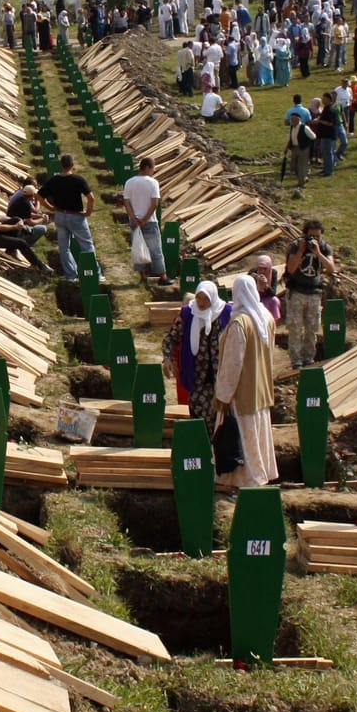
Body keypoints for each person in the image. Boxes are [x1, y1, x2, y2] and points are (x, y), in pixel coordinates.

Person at [212, 275, 279, 488]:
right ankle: (260, 474)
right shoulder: (266, 317)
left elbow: (233, 364)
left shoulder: (239, 324)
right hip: (262, 388)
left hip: (242, 393)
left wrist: (222, 395)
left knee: (242, 440)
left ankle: (246, 480)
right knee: (257, 438)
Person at [160, 280, 230, 412]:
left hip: (222, 377)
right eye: (198, 298)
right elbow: (171, 338)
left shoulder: (226, 313)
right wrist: (168, 357)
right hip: (197, 377)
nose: (202, 303)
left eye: (206, 299)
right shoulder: (188, 314)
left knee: (222, 419)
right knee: (199, 413)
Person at [283, 221, 336, 368]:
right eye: (311, 236)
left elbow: (331, 268)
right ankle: (296, 359)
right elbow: (291, 268)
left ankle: (308, 357)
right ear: (304, 234)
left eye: (317, 236)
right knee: (295, 327)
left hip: (314, 292)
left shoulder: (324, 248)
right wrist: (301, 250)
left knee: (312, 328)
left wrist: (318, 253)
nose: (314, 239)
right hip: (297, 291)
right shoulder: (295, 246)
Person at [40, 154, 99, 281]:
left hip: (60, 216)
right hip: (76, 216)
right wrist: (88, 212)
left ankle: (71, 275)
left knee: (64, 248)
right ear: (73, 165)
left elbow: (39, 196)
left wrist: (51, 208)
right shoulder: (78, 179)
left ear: (61, 165)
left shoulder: (54, 180)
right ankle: (95, 274)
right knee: (87, 245)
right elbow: (91, 198)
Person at [122, 157, 167, 280]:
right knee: (156, 249)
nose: (154, 170)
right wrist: (145, 219)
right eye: (153, 168)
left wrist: (134, 218)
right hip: (150, 221)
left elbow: (126, 202)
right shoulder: (153, 183)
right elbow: (154, 203)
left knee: (138, 248)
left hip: (134, 221)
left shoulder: (129, 182)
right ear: (147, 167)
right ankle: (162, 276)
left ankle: (142, 275)